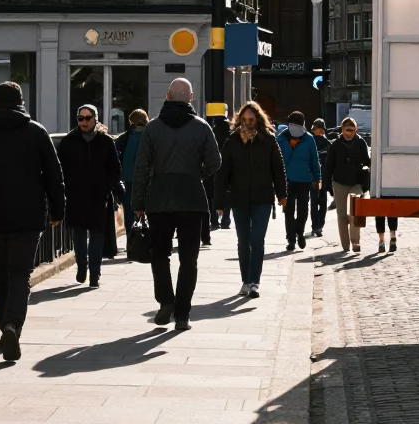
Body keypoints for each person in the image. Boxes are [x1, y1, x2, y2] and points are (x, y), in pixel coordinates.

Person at [0, 82, 65, 361]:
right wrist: (58, 210)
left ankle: (6, 326)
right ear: (21, 102)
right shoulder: (36, 132)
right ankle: (13, 325)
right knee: (20, 273)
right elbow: (54, 174)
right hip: (28, 216)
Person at [131, 78, 221, 331]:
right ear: (191, 98)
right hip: (192, 199)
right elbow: (215, 161)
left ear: (168, 96)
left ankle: (165, 301)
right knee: (189, 258)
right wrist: (196, 175)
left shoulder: (152, 128)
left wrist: (138, 201)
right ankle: (182, 314)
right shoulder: (201, 127)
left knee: (160, 255)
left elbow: (141, 167)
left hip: (159, 198)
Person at [215, 101, 287, 297]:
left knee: (257, 240)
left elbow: (278, 169)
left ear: (258, 120)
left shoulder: (268, 140)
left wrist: (282, 194)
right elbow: (223, 172)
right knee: (243, 241)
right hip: (239, 198)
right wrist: (219, 202)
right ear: (239, 120)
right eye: (244, 119)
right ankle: (245, 281)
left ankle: (254, 281)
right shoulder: (232, 141)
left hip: (263, 198)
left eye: (251, 119)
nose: (247, 123)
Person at [58, 104, 123, 290]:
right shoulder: (69, 141)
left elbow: (115, 169)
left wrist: (107, 187)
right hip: (75, 197)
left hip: (98, 197)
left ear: (95, 119)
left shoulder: (105, 141)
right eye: (81, 118)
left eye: (88, 118)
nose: (84, 122)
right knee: (78, 235)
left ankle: (95, 273)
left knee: (97, 236)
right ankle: (82, 266)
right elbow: (59, 168)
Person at [276, 111, 321, 252]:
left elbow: (314, 160)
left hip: (304, 180)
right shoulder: (281, 139)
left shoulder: (309, 139)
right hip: (287, 180)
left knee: (303, 211)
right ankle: (291, 240)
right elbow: (275, 161)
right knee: (288, 211)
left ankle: (299, 232)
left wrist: (317, 177)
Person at [326, 117, 371, 254]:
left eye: (351, 130)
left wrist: (366, 183)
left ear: (355, 130)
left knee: (355, 214)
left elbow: (367, 162)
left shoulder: (361, 143)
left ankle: (355, 242)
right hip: (339, 182)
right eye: (346, 130)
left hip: (356, 182)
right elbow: (329, 165)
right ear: (342, 129)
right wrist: (328, 185)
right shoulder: (336, 145)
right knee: (341, 215)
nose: (348, 133)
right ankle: (345, 245)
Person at [115, 109, 148, 232]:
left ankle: (132, 237)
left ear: (131, 121)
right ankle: (147, 236)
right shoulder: (151, 136)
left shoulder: (124, 138)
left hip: (128, 180)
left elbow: (116, 160)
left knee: (129, 212)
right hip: (147, 180)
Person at [310, 119, 331, 237]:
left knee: (319, 202)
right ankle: (317, 226)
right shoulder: (326, 143)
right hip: (317, 176)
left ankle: (317, 226)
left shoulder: (310, 141)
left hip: (320, 176)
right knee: (319, 202)